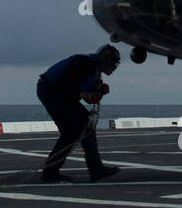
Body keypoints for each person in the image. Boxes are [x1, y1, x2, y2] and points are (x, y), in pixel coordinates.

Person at [36, 45, 122, 183]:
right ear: (104, 60)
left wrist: (97, 91)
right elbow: (64, 84)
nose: (114, 68)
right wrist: (86, 93)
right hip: (52, 91)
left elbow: (83, 93)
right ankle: (96, 169)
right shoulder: (84, 63)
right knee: (86, 127)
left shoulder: (94, 69)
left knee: (70, 134)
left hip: (51, 92)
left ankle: (50, 173)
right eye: (113, 64)